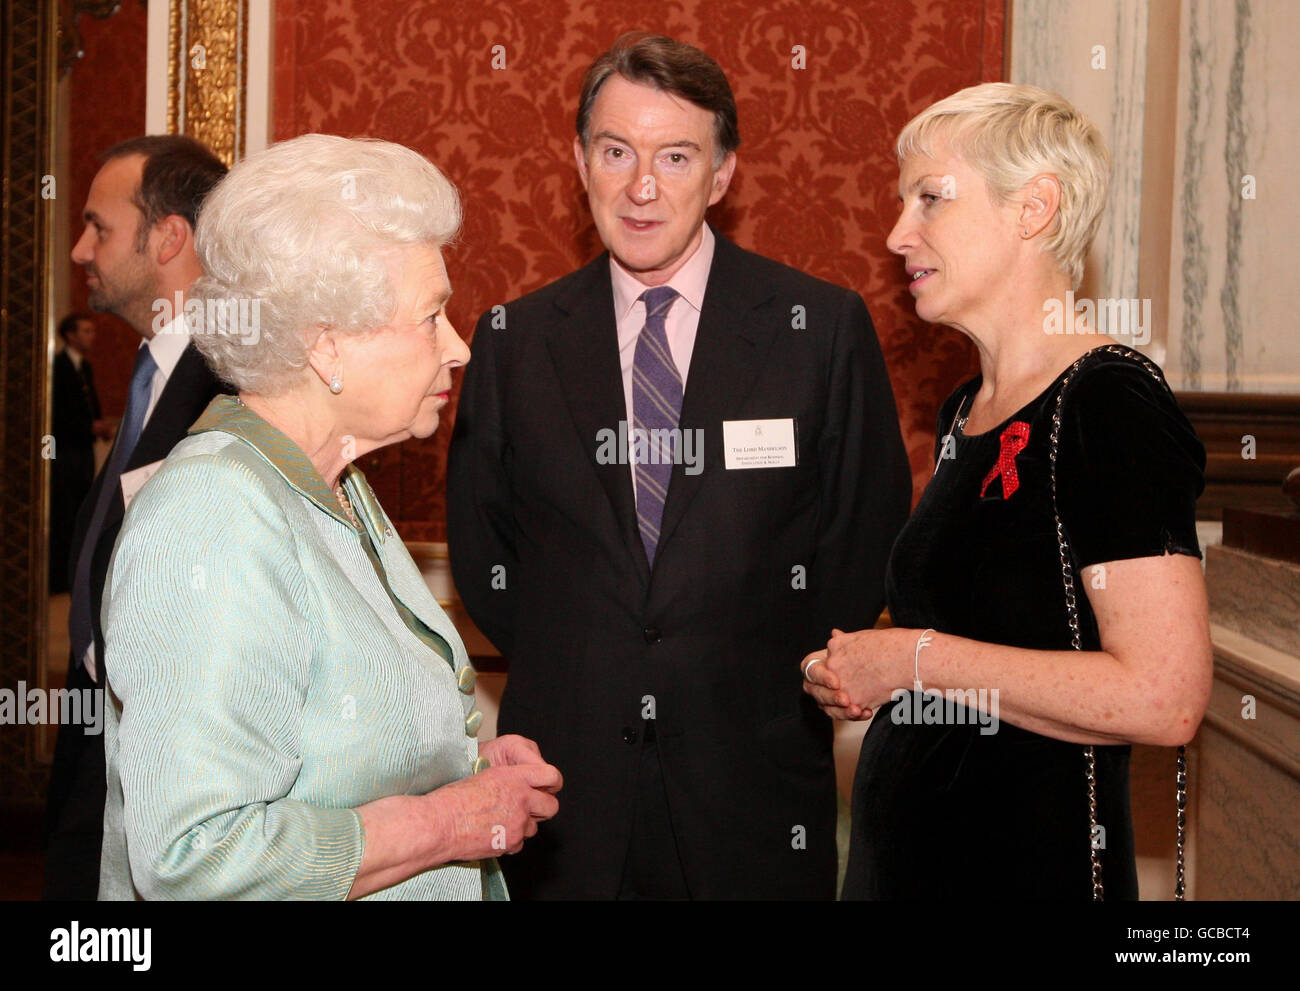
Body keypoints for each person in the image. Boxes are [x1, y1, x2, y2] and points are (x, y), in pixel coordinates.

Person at [447, 32, 911, 900]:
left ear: (723, 174)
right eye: (616, 151)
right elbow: (487, 560)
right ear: (580, 161)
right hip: (565, 799)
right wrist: (598, 659)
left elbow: (859, 543)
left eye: (675, 155)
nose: (642, 186)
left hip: (757, 796)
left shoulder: (818, 330)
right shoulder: (514, 342)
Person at [97, 134, 562, 900]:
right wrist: (449, 821)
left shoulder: (333, 482)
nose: (458, 349)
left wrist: (463, 771)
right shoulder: (212, 516)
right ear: (327, 347)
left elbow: (332, 757)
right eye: (431, 316)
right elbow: (194, 856)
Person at [801, 83, 1213, 899]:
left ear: (1033, 209)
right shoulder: (965, 408)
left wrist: (910, 659)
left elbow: (1165, 696)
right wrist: (873, 669)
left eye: (931, 199)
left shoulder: (1107, 400)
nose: (895, 234)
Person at [44, 136, 230, 900]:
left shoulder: (230, 379)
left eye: (99, 227)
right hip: (100, 743)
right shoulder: (154, 370)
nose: (82, 249)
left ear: (168, 237)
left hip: (167, 767)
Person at [49, 313, 111, 594]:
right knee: (64, 512)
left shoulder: (84, 366)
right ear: (71, 335)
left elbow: (89, 404)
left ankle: (75, 575)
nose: (91, 336)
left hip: (83, 450)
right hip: (64, 451)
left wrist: (98, 425)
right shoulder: (58, 366)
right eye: (85, 331)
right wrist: (89, 425)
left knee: (80, 512)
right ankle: (59, 578)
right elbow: (55, 415)